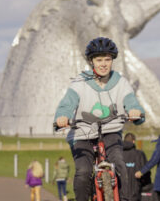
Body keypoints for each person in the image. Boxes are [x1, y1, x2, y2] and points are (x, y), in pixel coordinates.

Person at [54, 37, 145, 201]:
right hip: (82, 134)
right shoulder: (80, 82)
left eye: (108, 59)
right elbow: (67, 104)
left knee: (120, 166)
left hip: (111, 131)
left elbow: (131, 101)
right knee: (83, 172)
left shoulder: (120, 82)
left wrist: (135, 111)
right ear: (91, 61)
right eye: (99, 59)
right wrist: (63, 117)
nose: (103, 64)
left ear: (112, 60)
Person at [123, 132, 151, 201]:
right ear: (133, 141)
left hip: (120, 193)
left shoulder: (118, 154)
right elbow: (146, 172)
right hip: (135, 192)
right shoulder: (139, 154)